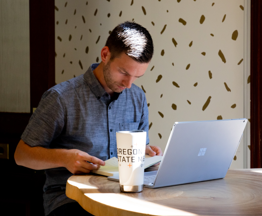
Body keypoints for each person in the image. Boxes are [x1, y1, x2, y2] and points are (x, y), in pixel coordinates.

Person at [14, 21, 162, 216]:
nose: (128, 84)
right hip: (69, 200)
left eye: (137, 77)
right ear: (105, 55)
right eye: (124, 72)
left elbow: (138, 158)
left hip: (123, 197)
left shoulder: (137, 97)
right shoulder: (60, 98)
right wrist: (64, 158)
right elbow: (21, 155)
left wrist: (146, 155)